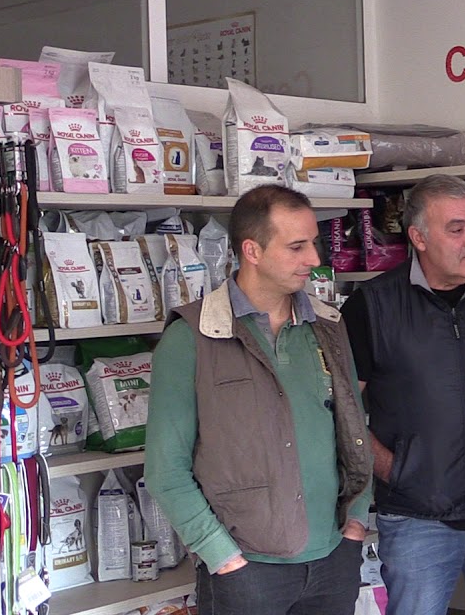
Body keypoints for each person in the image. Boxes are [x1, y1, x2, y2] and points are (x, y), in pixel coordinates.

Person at [145, 185, 373, 615]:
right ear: (252, 250)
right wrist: (223, 558)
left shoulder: (328, 326)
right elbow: (165, 470)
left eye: (315, 243)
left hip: (332, 561)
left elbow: (354, 432)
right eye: (297, 247)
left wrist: (356, 525)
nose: (315, 260)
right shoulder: (192, 336)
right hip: (247, 572)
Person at [342, 174, 465, 615]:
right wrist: (398, 471)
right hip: (417, 517)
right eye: (456, 229)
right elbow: (343, 409)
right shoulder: (372, 306)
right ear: (419, 238)